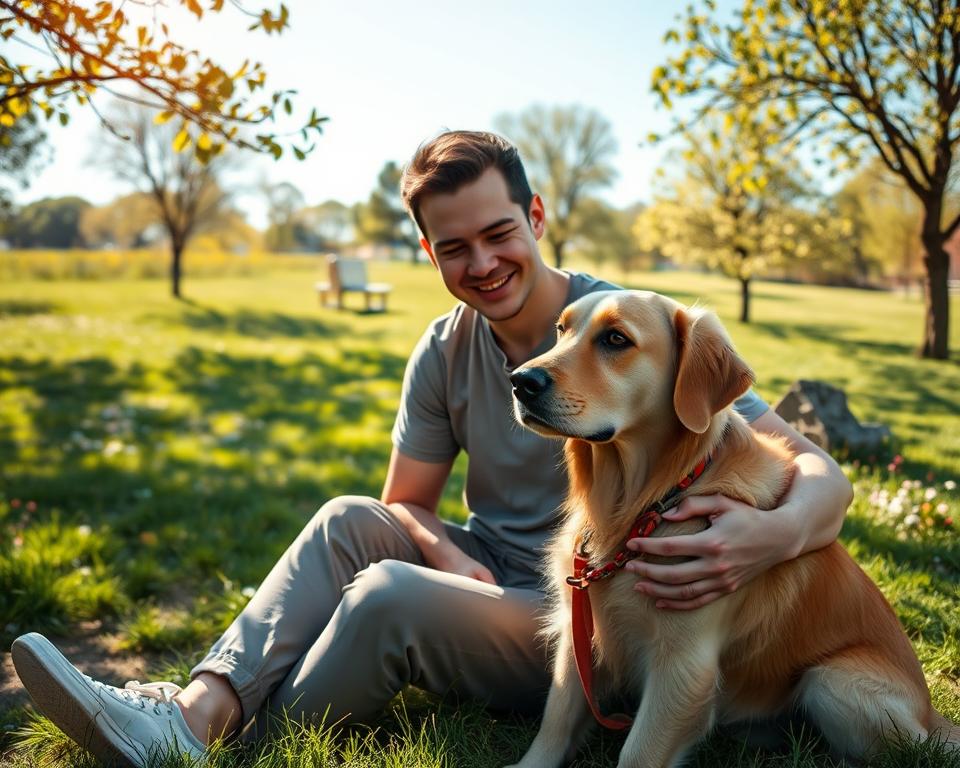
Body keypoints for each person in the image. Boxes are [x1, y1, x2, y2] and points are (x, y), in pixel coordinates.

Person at [11, 131, 853, 766]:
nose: (482, 263)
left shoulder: (628, 326)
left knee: (388, 599)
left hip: (586, 615)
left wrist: (772, 536)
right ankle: (193, 712)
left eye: (497, 233)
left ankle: (228, 742)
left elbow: (818, 473)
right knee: (350, 520)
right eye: (454, 247)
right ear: (429, 252)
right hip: (504, 568)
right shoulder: (445, 347)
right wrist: (444, 545)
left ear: (536, 217)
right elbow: (402, 500)